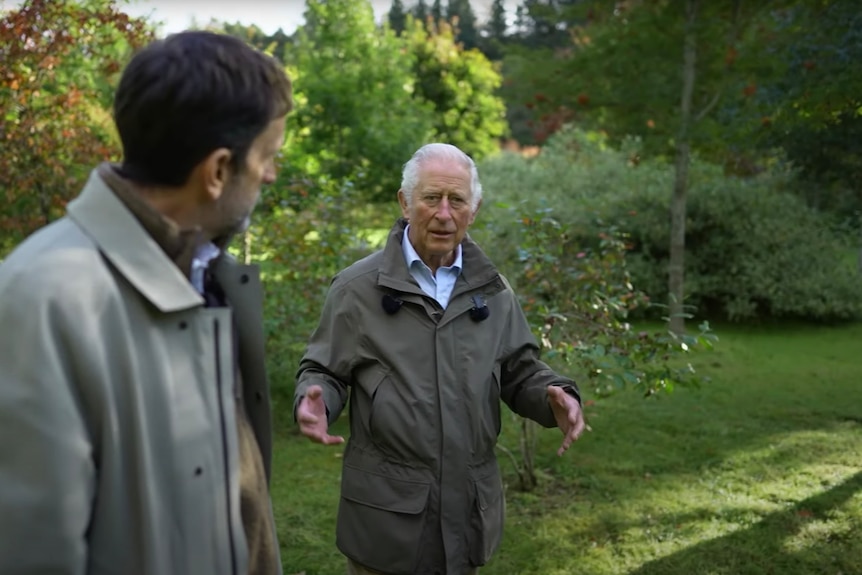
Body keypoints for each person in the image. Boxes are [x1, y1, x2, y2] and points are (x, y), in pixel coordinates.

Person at [0, 31, 292, 575]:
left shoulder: (203, 274)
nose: (272, 174)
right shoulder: (42, 298)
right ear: (218, 171)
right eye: (268, 157)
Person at [294, 143, 587, 575]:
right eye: (432, 198)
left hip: (467, 512)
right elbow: (324, 371)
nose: (444, 214)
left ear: (476, 208)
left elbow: (519, 369)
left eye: (458, 200)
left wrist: (551, 394)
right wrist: (315, 400)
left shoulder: (493, 290)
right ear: (405, 202)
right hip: (387, 518)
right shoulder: (356, 290)